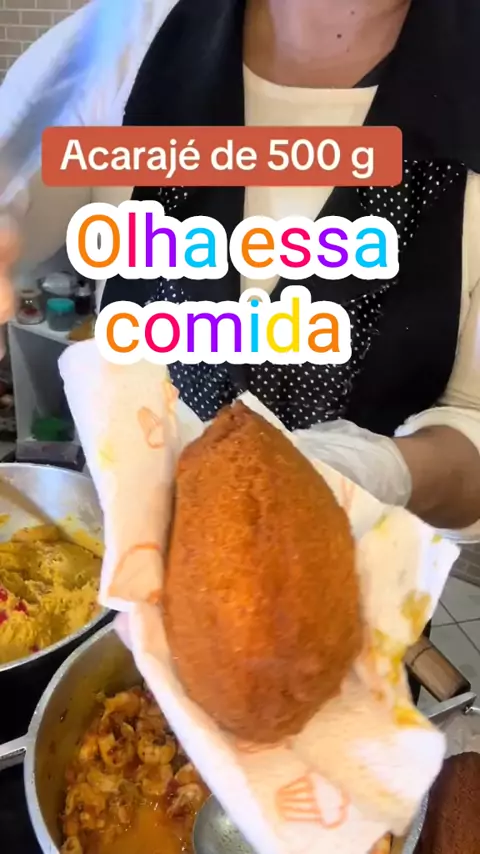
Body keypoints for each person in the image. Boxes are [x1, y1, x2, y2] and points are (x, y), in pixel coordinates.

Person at [0, 2, 479, 594]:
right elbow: (16, 191)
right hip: (125, 570)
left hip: (348, 602)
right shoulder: (129, 38)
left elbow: (472, 433)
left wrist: (382, 471)